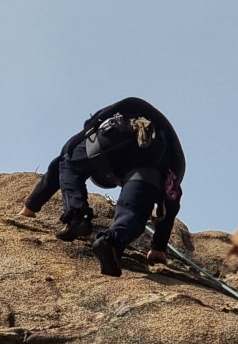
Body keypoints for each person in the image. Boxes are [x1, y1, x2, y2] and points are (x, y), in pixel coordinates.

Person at [20, 98, 185, 277]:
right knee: (133, 210)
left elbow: (62, 162)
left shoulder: (106, 119)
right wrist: (158, 248)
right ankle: (111, 242)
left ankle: (77, 215)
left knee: (70, 165)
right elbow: (171, 203)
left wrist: (31, 206)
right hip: (151, 155)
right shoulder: (174, 161)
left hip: (111, 137)